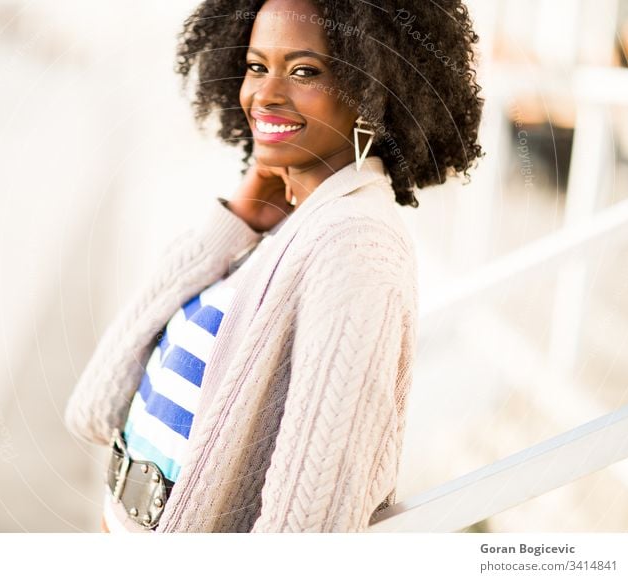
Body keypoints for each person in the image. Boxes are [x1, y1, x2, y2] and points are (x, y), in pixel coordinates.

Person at [65, 0, 483, 533]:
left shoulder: (356, 243)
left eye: (305, 70)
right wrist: (236, 222)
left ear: (373, 90)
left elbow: (308, 525)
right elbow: (96, 405)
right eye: (256, 66)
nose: (264, 93)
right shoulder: (290, 223)